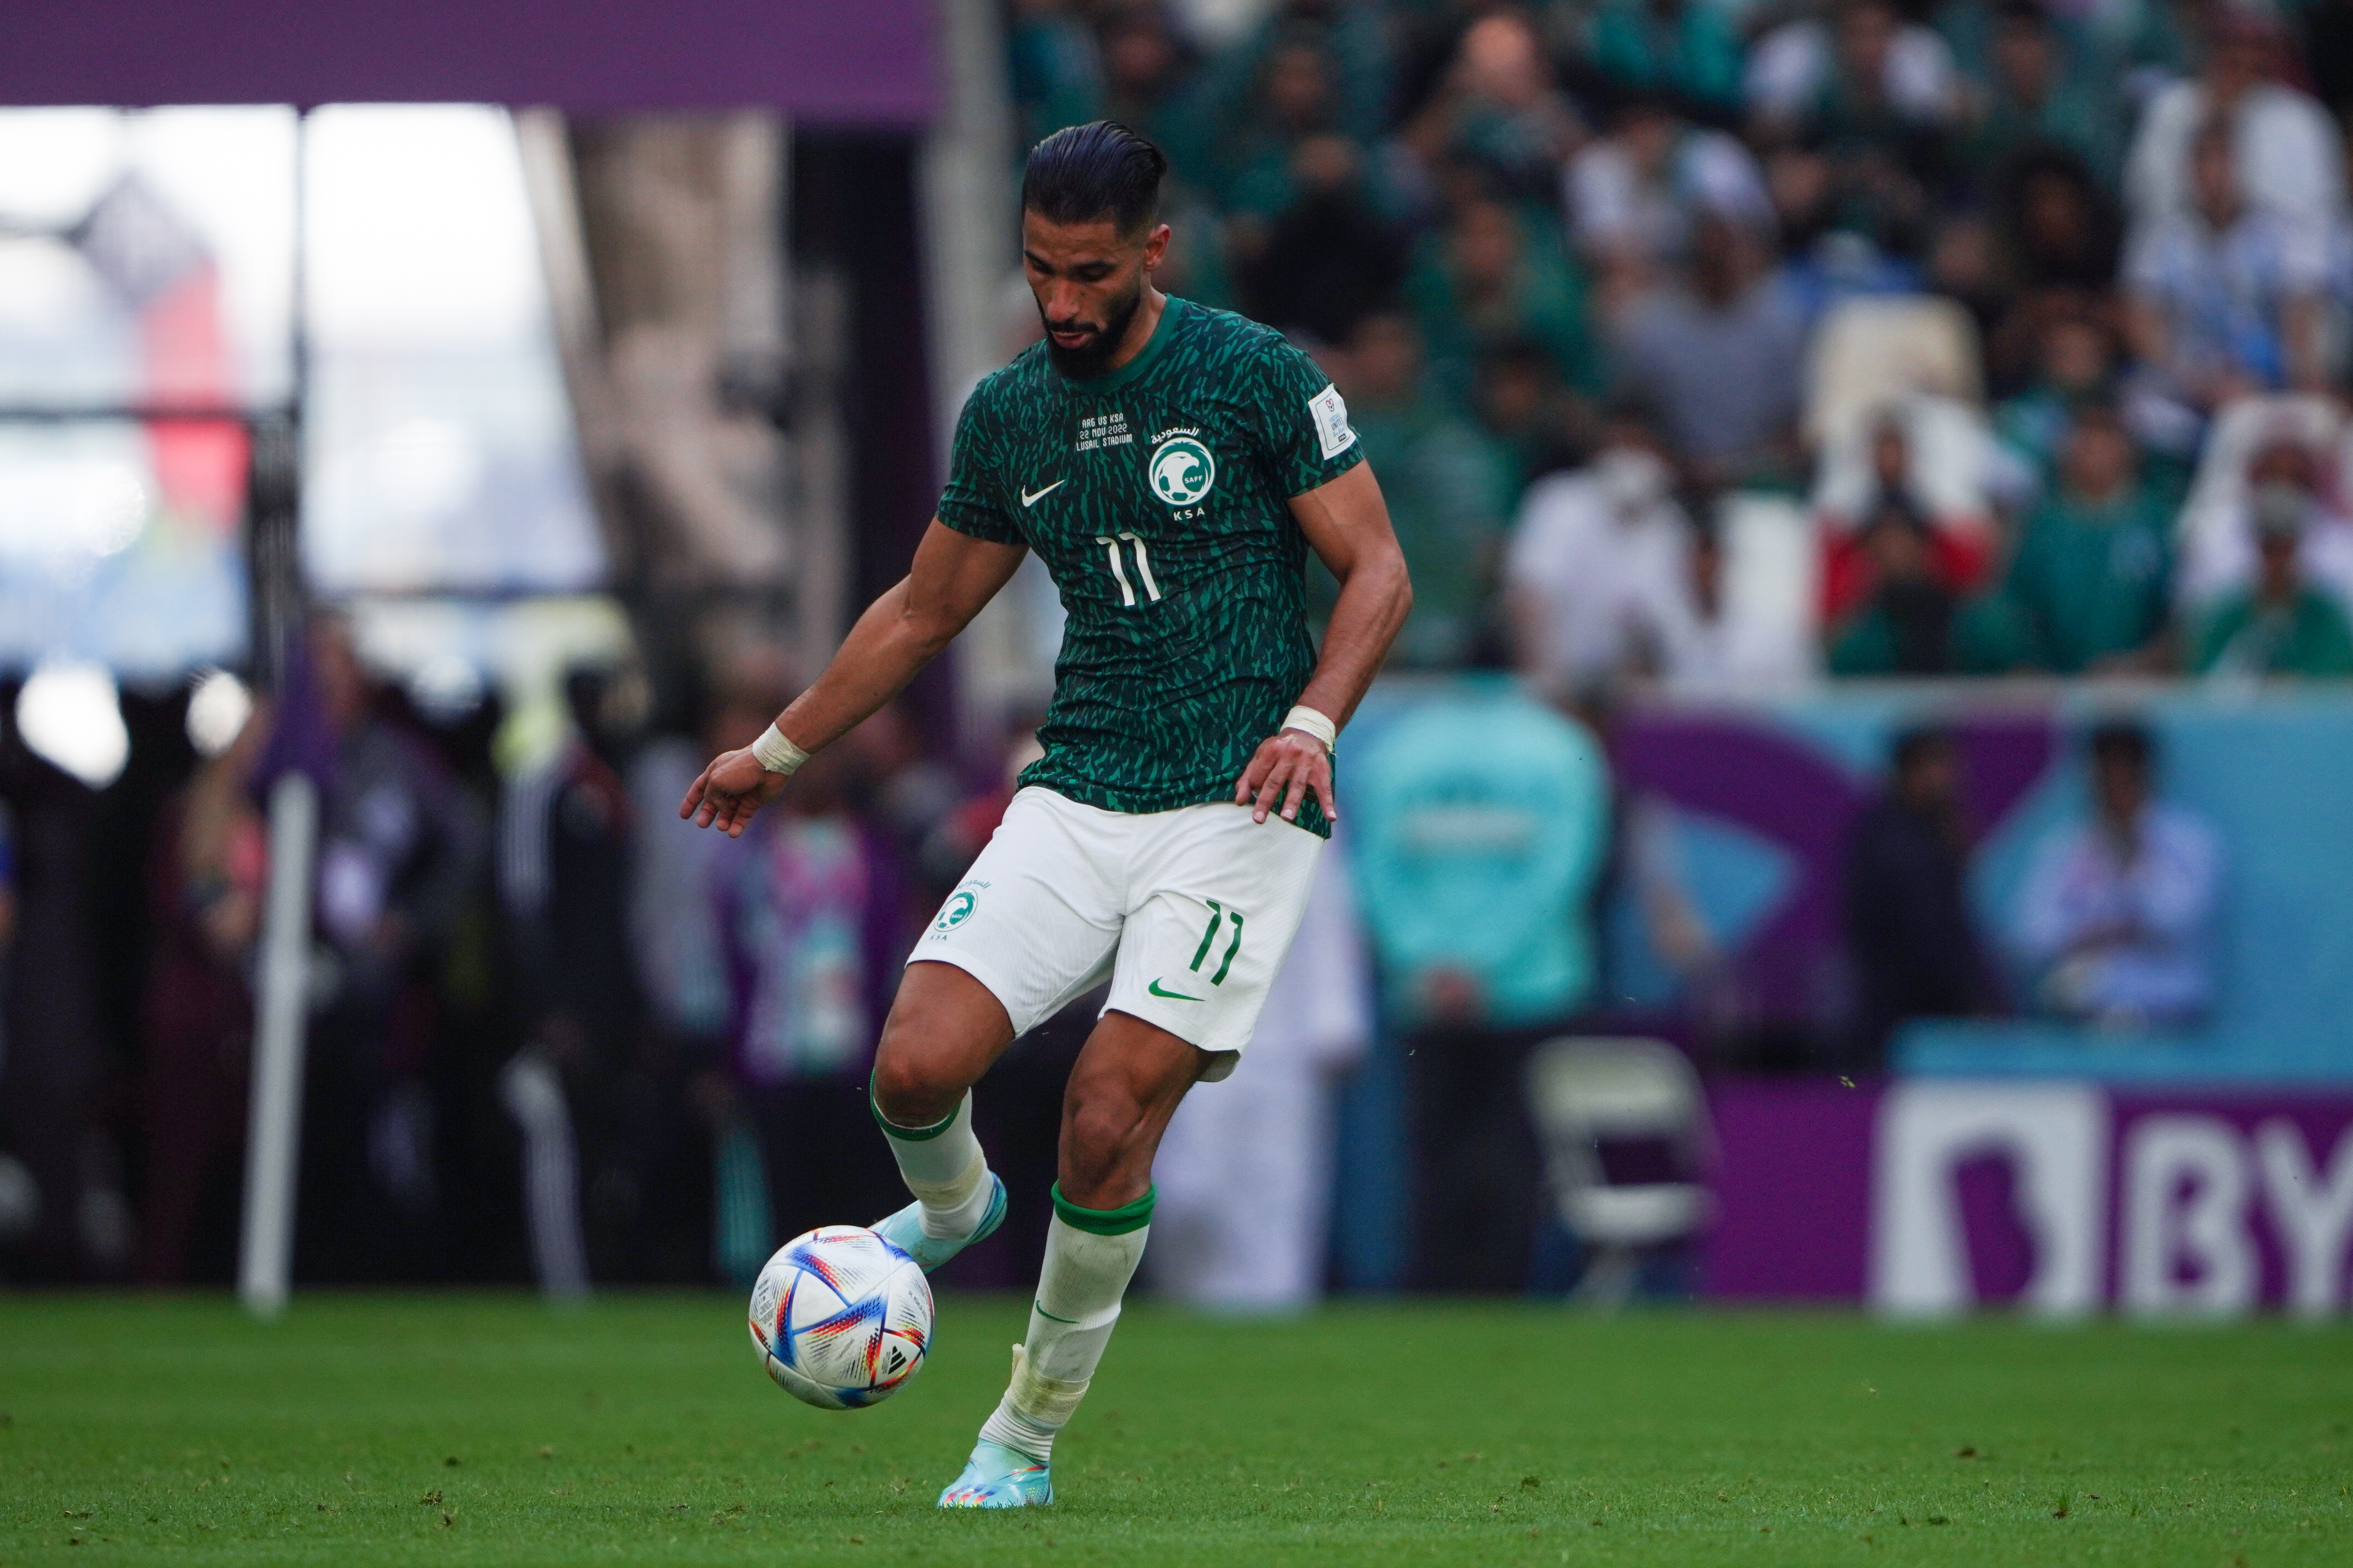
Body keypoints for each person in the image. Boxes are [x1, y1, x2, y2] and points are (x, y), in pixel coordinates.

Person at [679, 122, 1410, 1508]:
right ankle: (956, 1209)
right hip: (1078, 789)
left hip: (1237, 802)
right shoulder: (1010, 412)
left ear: (1153, 253)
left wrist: (1311, 721)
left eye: (1087, 276)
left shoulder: (1252, 376)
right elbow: (924, 609)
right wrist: (776, 749)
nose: (1061, 305)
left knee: (1103, 1111)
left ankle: (1020, 1436)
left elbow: (1376, 571)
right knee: (910, 1067)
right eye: (1038, 275)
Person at [1350, 689, 1610, 1292]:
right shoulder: (1560, 745)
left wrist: (1433, 959)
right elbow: (1565, 867)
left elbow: (1373, 871)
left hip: (1426, 989)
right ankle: (1503, 1289)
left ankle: (1437, 1292)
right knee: (1517, 1154)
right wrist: (1486, 959)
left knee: (1434, 1152)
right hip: (1532, 987)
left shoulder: (1396, 747)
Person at [2010, 722, 2221, 1028]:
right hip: (2086, 1020)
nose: (2114, 785)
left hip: (2169, 1019)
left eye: (2125, 773)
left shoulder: (2190, 840)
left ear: (2146, 774)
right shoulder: (2068, 845)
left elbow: (2182, 919)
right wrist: (2090, 933)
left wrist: (2133, 857)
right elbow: (2030, 935)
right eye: (2105, 774)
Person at [2122, 118, 2331, 420]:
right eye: (2202, 161)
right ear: (2188, 170)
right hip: (2185, 390)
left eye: (2223, 159)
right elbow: (2140, 321)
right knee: (2141, 413)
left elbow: (2300, 320)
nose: (2213, 173)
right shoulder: (2159, 236)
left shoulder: (2282, 235)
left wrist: (2289, 383)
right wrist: (2196, 383)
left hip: (2269, 390)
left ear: (2243, 166)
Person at [1843, 727, 1997, 1067]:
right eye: (1934, 765)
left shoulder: (1930, 830)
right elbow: (1930, 935)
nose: (1946, 777)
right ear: (1909, 771)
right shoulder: (1896, 843)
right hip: (1905, 1014)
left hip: (1919, 1011)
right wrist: (1974, 1002)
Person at [2002, 404, 2173, 674]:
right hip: (2050, 682)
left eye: (2106, 445)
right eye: (2086, 445)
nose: (2095, 456)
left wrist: (2141, 664)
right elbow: (2017, 604)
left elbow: (2178, 615)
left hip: (2133, 686)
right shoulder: (2042, 524)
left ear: (2127, 451)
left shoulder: (2157, 521)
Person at [2193, 483, 2353, 680]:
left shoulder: (2327, 616)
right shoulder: (2226, 615)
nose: (2278, 561)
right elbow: (2203, 679)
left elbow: (2337, 679)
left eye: (2285, 549)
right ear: (2257, 547)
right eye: (2270, 549)